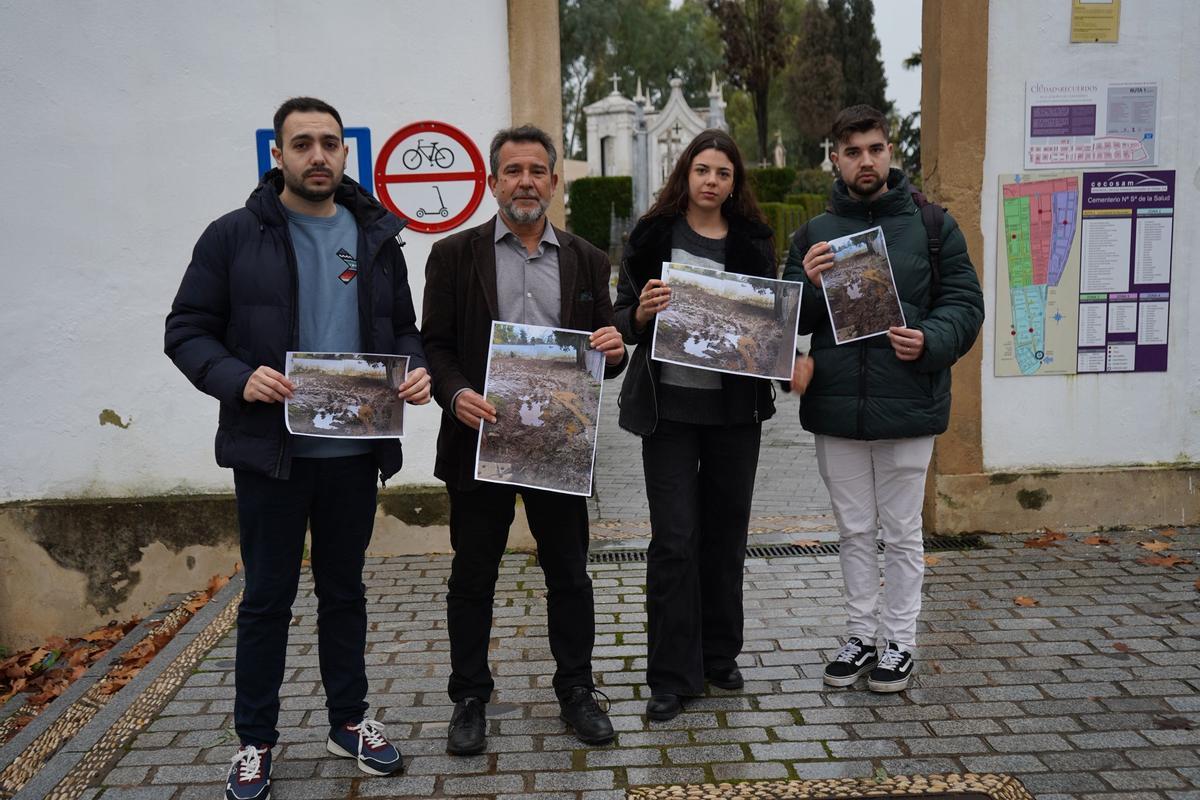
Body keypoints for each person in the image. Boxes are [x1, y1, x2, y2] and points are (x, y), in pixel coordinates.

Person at [165, 97, 430, 800]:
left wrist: (417, 367)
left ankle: (349, 721)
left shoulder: (376, 235)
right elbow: (187, 330)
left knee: (345, 593)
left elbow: (403, 329)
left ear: (346, 154)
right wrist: (237, 377)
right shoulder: (232, 236)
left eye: (330, 143)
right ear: (276, 156)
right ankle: (254, 741)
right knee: (267, 601)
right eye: (302, 143)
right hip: (271, 458)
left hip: (354, 457)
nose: (318, 155)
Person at [421, 125, 627, 755]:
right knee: (472, 574)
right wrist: (455, 395)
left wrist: (616, 348)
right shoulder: (454, 255)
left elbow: (605, 347)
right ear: (493, 183)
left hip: (558, 445)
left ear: (555, 181)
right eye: (513, 171)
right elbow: (436, 345)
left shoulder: (588, 259)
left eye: (537, 170)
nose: (526, 182)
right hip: (479, 438)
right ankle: (469, 698)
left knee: (569, 573)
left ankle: (576, 692)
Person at [782, 104, 984, 693]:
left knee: (901, 530)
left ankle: (899, 641)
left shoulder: (933, 226)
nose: (864, 161)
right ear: (835, 159)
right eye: (852, 152)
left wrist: (930, 340)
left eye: (874, 148)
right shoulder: (812, 235)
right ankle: (859, 635)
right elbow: (784, 322)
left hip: (908, 401)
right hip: (838, 406)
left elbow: (966, 307)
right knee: (851, 529)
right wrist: (807, 284)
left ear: (889, 152)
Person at [612, 129, 777, 722]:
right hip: (669, 413)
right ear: (686, 173)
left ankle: (717, 653)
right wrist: (639, 313)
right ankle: (670, 676)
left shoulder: (755, 242)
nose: (712, 181)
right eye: (703, 169)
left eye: (724, 173)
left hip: (736, 413)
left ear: (736, 183)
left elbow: (771, 325)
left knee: (726, 535)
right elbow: (620, 317)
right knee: (675, 540)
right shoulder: (653, 235)